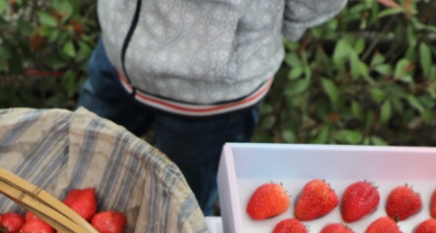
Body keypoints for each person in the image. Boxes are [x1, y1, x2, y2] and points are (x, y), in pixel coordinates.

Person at [78, 0, 348, 214]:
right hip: (116, 52)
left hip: (210, 97)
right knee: (80, 165)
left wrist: (270, 20)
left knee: (182, 208)